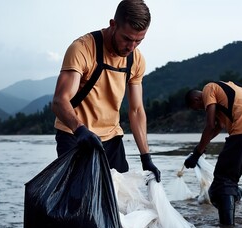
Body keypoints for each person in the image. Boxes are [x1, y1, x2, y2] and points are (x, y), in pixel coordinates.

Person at [51, 0, 160, 182]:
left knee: (119, 201)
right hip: (76, 135)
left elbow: (136, 110)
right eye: (126, 38)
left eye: (138, 41)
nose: (131, 47)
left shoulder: (136, 60)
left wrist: (146, 157)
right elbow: (60, 101)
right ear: (113, 25)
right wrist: (80, 130)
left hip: (112, 138)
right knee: (79, 201)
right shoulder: (82, 49)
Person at [184, 81, 242, 225]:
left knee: (223, 181)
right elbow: (218, 126)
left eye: (196, 108)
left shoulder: (209, 88)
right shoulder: (237, 90)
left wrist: (196, 154)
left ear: (196, 99)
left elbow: (209, 125)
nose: (201, 109)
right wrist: (201, 148)